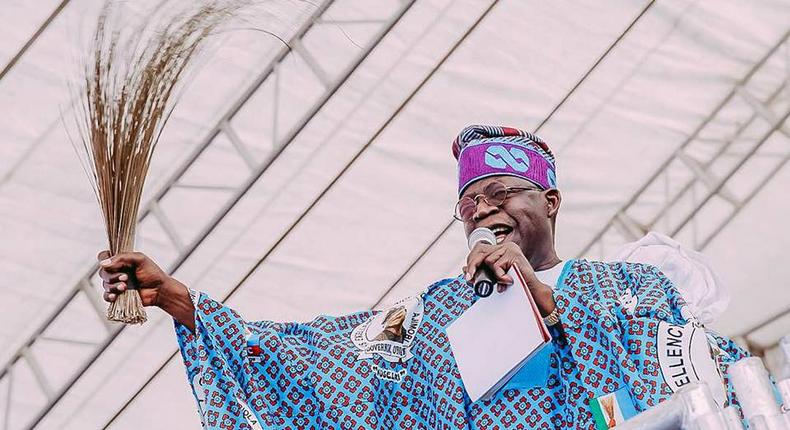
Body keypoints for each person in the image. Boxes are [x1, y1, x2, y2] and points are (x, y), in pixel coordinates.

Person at [98, 125, 747, 429]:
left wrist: (549, 306)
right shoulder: (430, 318)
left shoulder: (627, 289)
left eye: (502, 193)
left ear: (550, 202)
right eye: (470, 204)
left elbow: (715, 388)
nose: (484, 210)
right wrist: (180, 301)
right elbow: (310, 365)